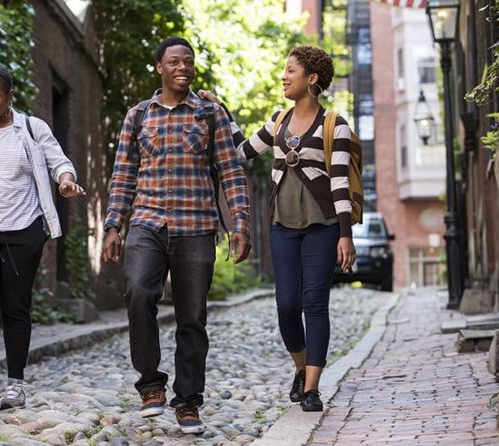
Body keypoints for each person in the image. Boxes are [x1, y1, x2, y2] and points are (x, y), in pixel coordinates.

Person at [102, 37, 251, 434]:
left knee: (192, 317)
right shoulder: (138, 116)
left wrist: (240, 221)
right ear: (159, 67)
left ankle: (188, 402)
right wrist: (114, 224)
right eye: (174, 61)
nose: (182, 66)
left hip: (197, 226)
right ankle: (151, 384)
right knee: (138, 292)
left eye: (188, 60)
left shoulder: (209, 114)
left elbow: (231, 170)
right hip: (148, 223)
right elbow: (123, 174)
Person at [201, 45, 357, 412]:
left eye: (291, 70)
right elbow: (240, 151)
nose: (284, 76)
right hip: (281, 226)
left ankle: (314, 389)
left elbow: (339, 184)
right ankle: (301, 370)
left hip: (324, 227)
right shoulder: (279, 120)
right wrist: (223, 111)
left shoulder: (335, 125)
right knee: (287, 305)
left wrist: (346, 234)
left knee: (314, 303)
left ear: (312, 78)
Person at [0, 65, 84, 410]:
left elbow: (59, 162)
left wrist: (66, 181)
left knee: (15, 306)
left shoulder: (31, 128)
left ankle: (15, 382)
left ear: (10, 96)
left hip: (23, 231)